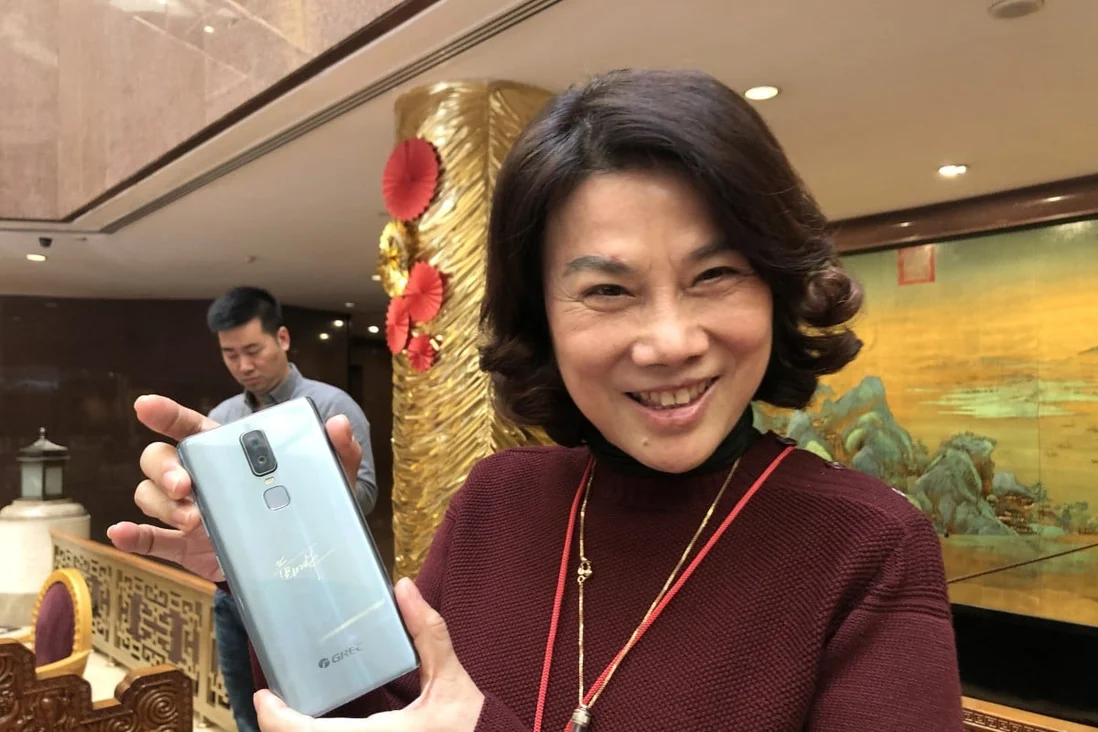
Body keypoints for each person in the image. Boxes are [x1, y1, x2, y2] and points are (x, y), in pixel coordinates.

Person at [108, 69, 963, 731]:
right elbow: (385, 713)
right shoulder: (498, 501)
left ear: (775, 289)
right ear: (541, 318)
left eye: (715, 275)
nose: (669, 340)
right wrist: (276, 575)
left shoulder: (865, 548)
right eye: (608, 291)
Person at [205, 286, 379, 732]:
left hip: (317, 584)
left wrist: (315, 496)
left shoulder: (331, 407)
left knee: (325, 713)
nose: (243, 366)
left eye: (253, 350)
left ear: (282, 338)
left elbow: (366, 493)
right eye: (230, 354)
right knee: (249, 714)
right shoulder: (221, 419)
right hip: (239, 593)